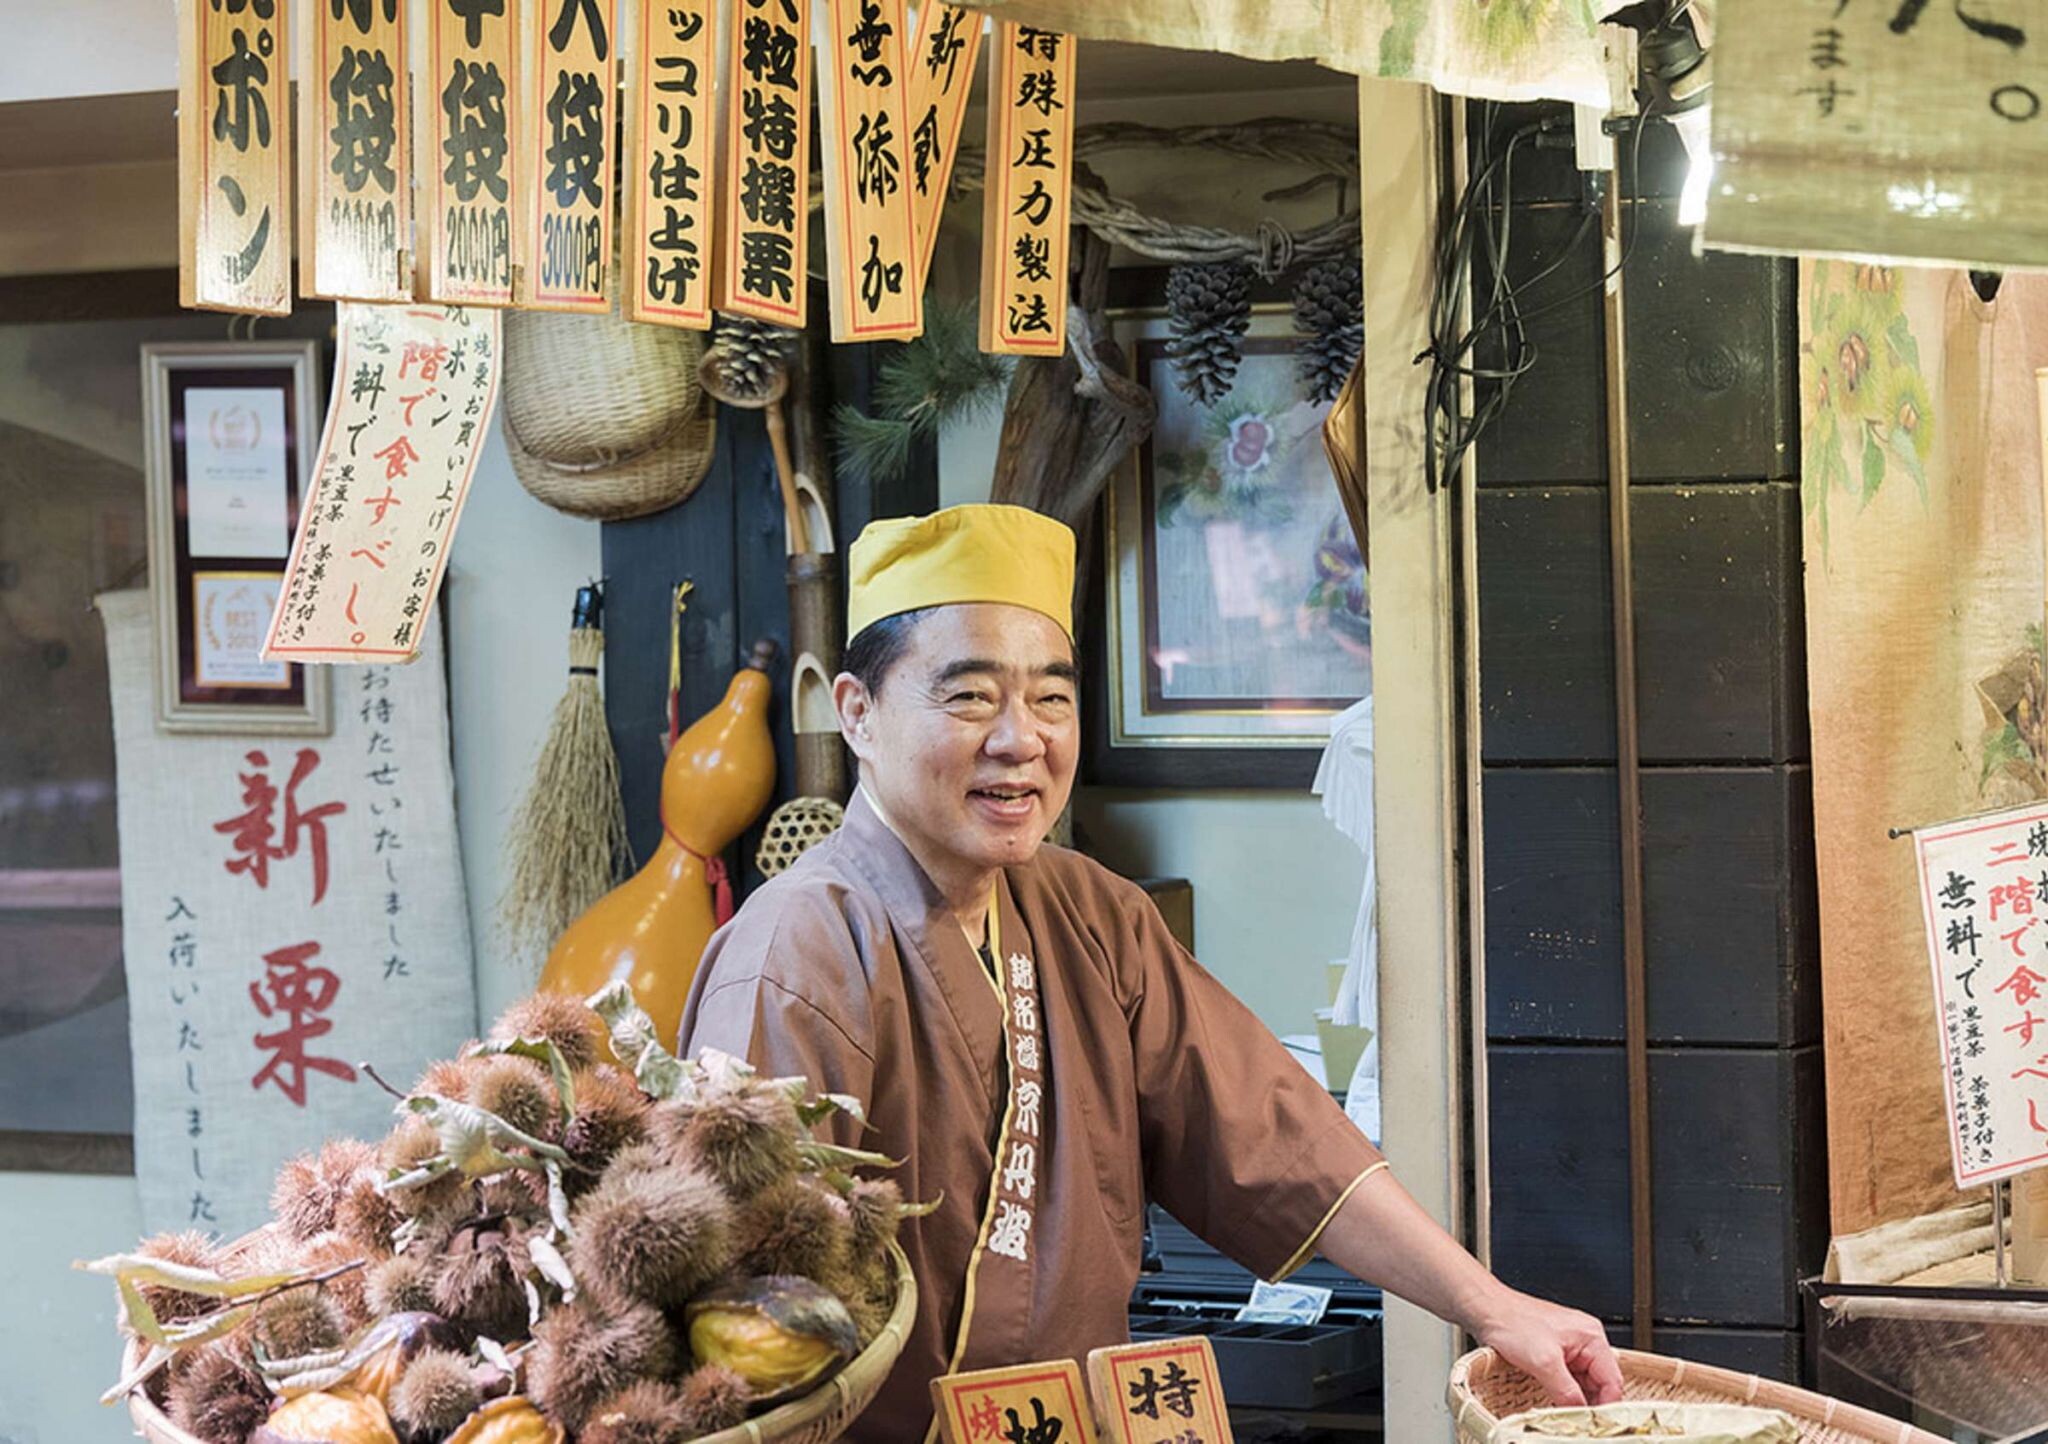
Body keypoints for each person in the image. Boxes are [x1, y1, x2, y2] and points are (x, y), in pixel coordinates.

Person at [680, 504, 1622, 1440]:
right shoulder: (796, 955)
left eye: (1051, 697)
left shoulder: (1092, 912)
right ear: (857, 712)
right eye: (969, 696)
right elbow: (745, 1314)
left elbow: (1274, 1129)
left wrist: (1490, 1305)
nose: (1021, 739)